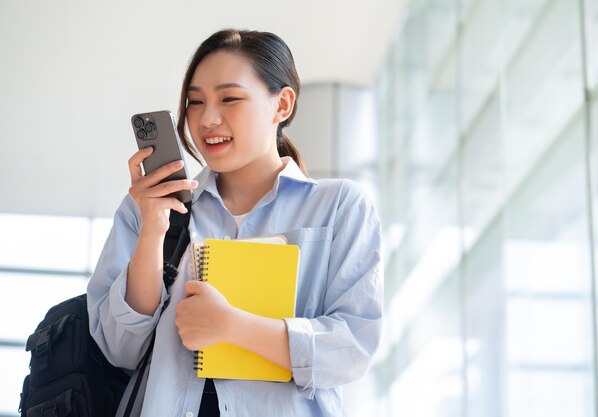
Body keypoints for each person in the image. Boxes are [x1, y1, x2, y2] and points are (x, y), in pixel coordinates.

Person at [87, 28, 383, 417]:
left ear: (282, 104)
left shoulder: (339, 207)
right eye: (195, 102)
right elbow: (117, 348)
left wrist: (232, 326)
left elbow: (353, 350)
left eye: (229, 98)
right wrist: (153, 233)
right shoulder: (150, 208)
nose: (207, 118)